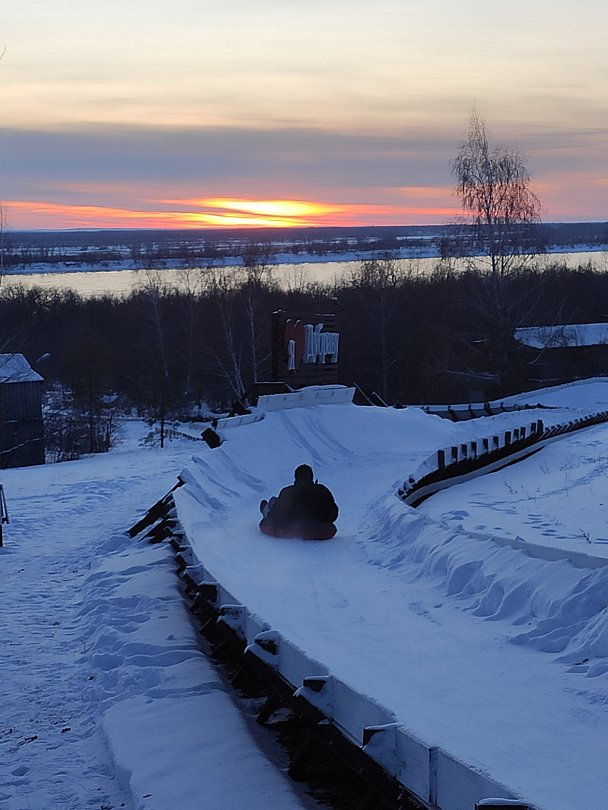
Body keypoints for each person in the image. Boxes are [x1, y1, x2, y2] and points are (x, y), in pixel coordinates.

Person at [259, 464, 338, 540]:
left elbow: (276, 516)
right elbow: (333, 515)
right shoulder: (322, 491)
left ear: (295, 477)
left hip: (291, 529)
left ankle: (266, 510)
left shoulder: (288, 492)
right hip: (320, 531)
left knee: (273, 503)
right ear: (311, 477)